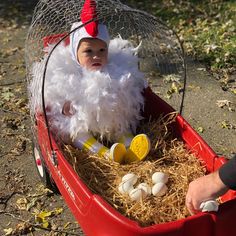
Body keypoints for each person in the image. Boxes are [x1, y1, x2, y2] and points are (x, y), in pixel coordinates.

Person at [30, 0, 151, 164]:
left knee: (120, 125)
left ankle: (129, 144)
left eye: (102, 50)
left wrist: (121, 97)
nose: (96, 56)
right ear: (75, 53)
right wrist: (65, 105)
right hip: (82, 122)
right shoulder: (68, 74)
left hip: (108, 119)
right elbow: (58, 99)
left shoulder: (115, 69)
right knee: (76, 133)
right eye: (88, 51)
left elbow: (127, 94)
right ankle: (104, 153)